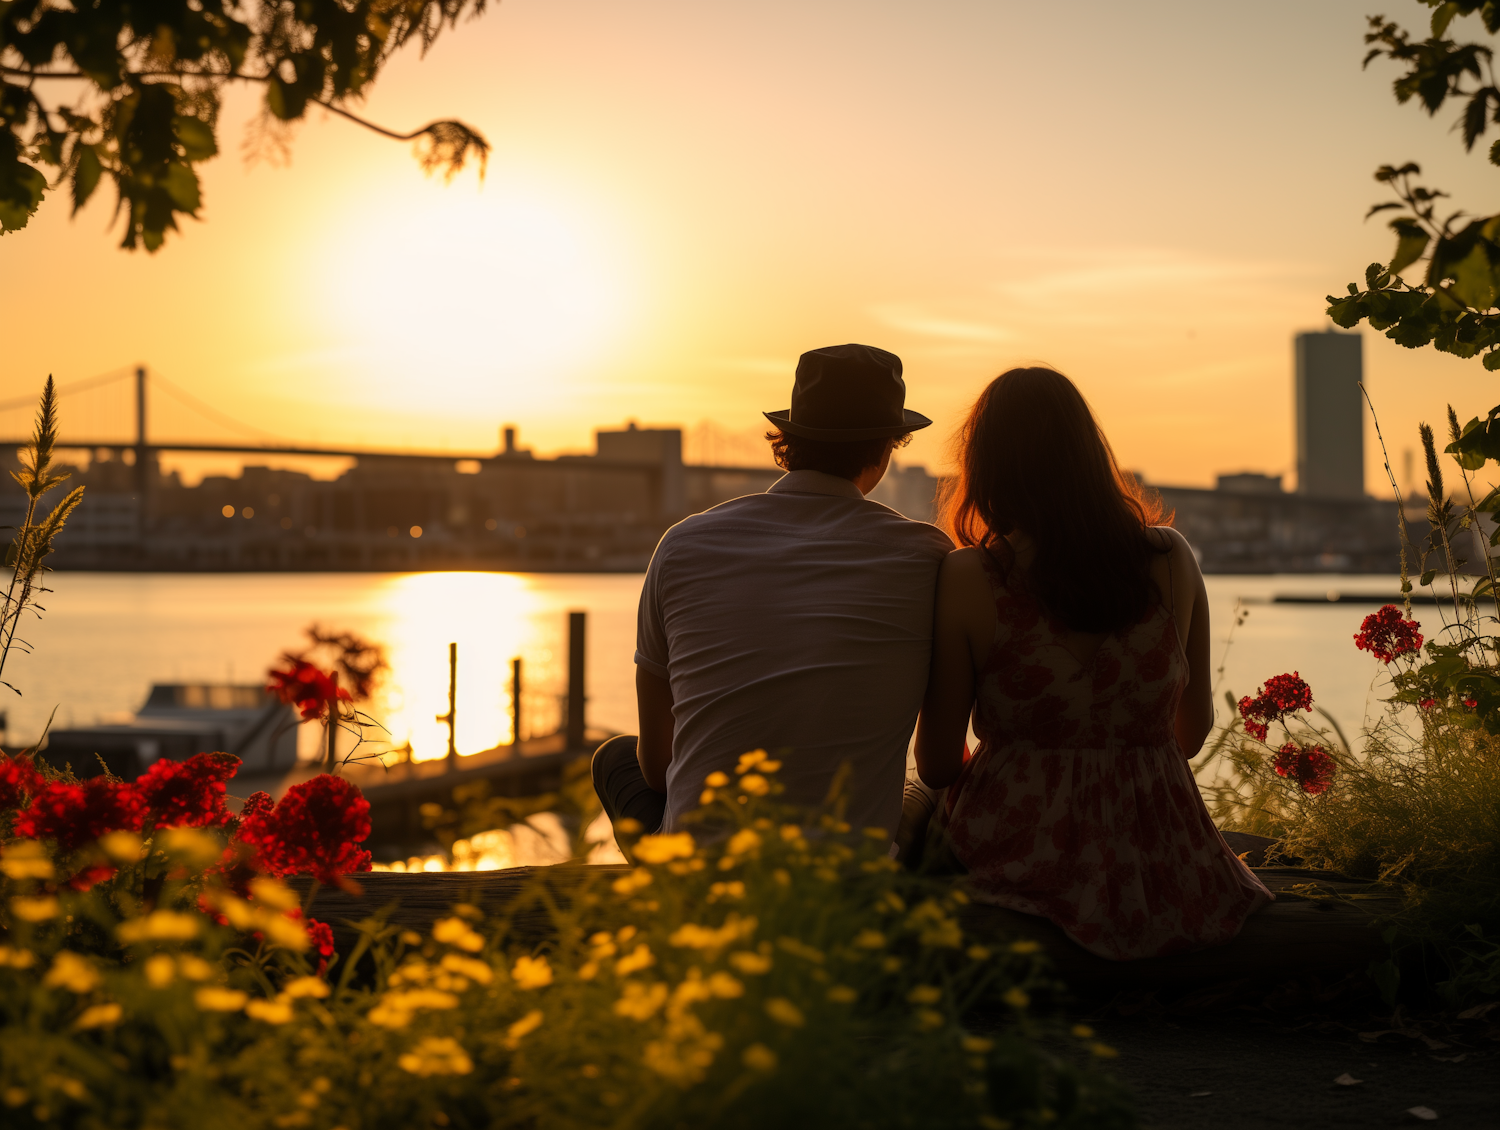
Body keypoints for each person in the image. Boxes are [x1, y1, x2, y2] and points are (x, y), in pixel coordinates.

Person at [911, 366, 1271, 960]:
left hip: (1011, 849)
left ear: (986, 465)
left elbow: (939, 763)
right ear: (1088, 454)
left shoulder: (970, 575)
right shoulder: (1170, 557)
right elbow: (1190, 735)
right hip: (1162, 856)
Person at [592, 344, 953, 839]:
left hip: (693, 882)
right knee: (922, 792)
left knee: (614, 757)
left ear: (788, 438)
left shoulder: (683, 544)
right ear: (889, 445)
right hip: (844, 884)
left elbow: (658, 768)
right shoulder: (927, 556)